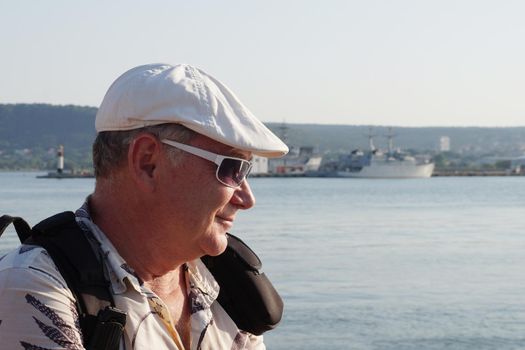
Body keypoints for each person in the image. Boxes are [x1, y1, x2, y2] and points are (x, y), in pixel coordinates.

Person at [0, 63, 288, 349]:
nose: (247, 199)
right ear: (147, 161)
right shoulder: (32, 286)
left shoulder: (229, 286)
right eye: (232, 169)